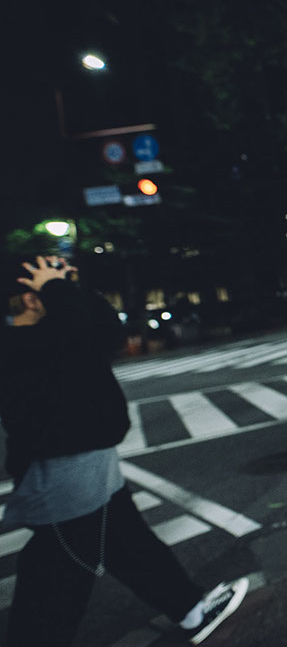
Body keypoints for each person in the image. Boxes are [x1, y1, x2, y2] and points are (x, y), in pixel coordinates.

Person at [0, 255, 248, 646]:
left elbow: (106, 330)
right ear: (31, 299)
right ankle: (189, 610)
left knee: (131, 546)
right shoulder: (19, 343)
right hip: (65, 477)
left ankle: (190, 610)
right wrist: (58, 290)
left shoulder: (60, 331)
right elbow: (77, 331)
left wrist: (67, 288)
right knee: (53, 591)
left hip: (92, 465)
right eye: (51, 285)